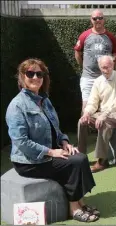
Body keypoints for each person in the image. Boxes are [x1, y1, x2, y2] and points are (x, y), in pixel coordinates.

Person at [6, 58, 99, 222]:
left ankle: (79, 201)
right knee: (74, 163)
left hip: (50, 152)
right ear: (22, 77)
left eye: (39, 74)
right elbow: (21, 141)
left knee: (80, 157)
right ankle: (75, 207)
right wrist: (50, 152)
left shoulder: (44, 100)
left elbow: (55, 128)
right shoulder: (17, 106)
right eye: (30, 73)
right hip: (29, 161)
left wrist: (64, 142)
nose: (35, 77)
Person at [78, 55, 116, 173]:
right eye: (103, 68)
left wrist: (104, 114)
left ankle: (102, 161)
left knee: (104, 123)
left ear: (113, 65)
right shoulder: (98, 81)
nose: (106, 70)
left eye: (108, 67)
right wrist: (86, 113)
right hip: (102, 114)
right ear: (99, 67)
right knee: (82, 121)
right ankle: (80, 156)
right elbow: (92, 102)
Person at [74, 9, 116, 112]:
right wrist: (83, 65)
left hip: (105, 78)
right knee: (86, 108)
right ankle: (83, 127)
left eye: (100, 18)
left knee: (104, 107)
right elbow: (77, 51)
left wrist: (111, 66)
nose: (98, 20)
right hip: (88, 78)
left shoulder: (111, 37)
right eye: (95, 18)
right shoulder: (84, 35)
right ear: (91, 20)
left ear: (104, 20)